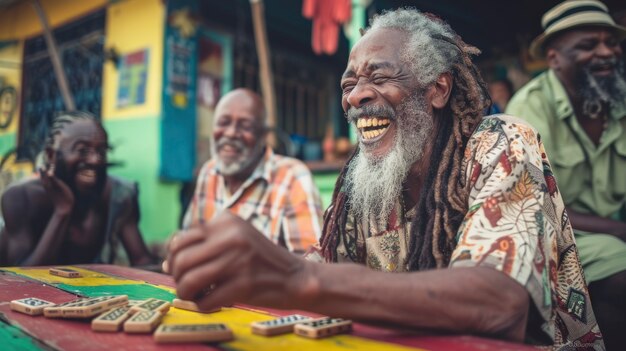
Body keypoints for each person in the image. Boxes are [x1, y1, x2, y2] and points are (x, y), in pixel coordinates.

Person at [166, 9, 603, 349]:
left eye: (379, 77)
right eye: (349, 83)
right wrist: (237, 272)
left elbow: (498, 302)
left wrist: (298, 278)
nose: (355, 96)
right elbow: (329, 269)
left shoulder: (500, 142)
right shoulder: (365, 179)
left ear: (438, 89)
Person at [506, 1, 626, 349]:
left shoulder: (618, 99)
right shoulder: (527, 110)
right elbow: (537, 206)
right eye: (589, 45)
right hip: (553, 237)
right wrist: (620, 230)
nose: (606, 52)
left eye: (612, 42)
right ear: (554, 57)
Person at [0, 111, 155, 266]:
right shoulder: (21, 198)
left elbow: (142, 260)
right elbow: (21, 280)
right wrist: (62, 211)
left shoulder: (119, 195)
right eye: (82, 150)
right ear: (51, 155)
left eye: (101, 151)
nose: (95, 160)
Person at [182, 88, 323, 254]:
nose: (231, 133)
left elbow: (312, 263)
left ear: (263, 136)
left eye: (245, 126)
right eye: (223, 122)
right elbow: (190, 242)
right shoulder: (209, 172)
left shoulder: (293, 177)